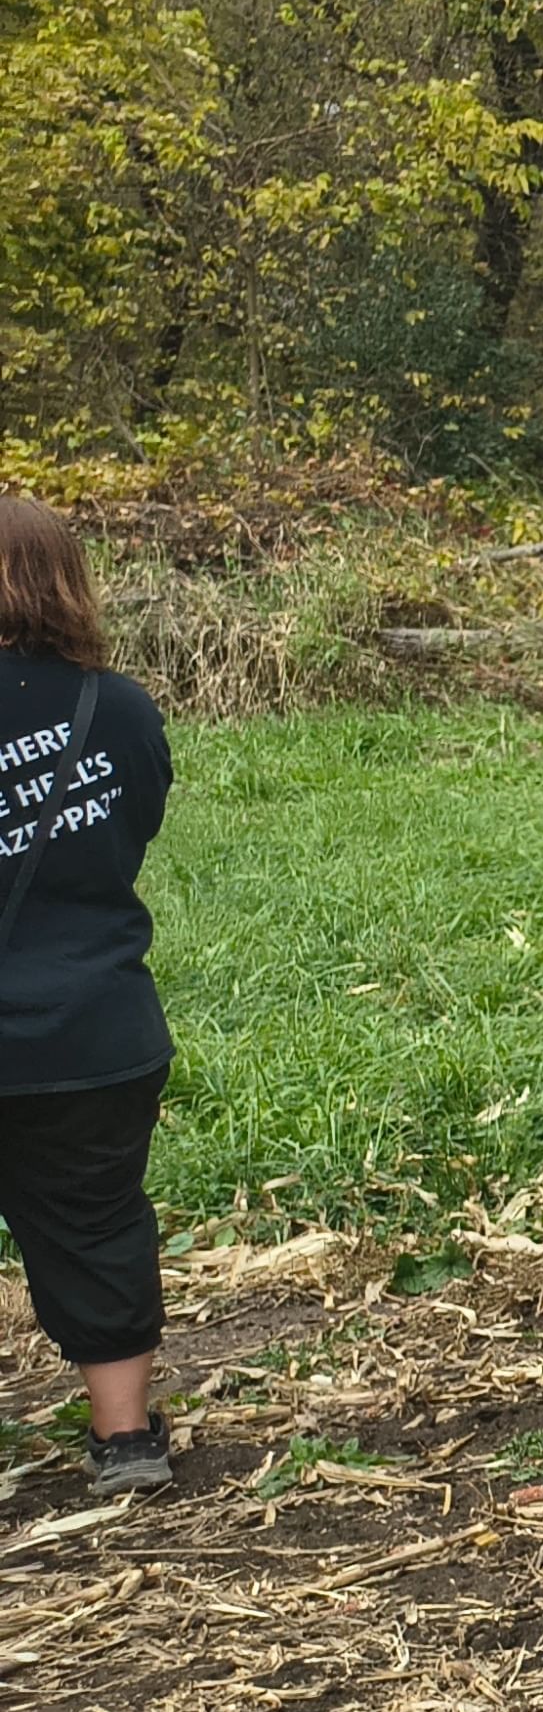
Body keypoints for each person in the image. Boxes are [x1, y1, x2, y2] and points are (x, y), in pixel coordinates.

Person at [0, 497, 177, 1495]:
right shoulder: (115, 708)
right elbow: (134, 823)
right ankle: (126, 1443)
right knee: (99, 1223)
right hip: (93, 1030)